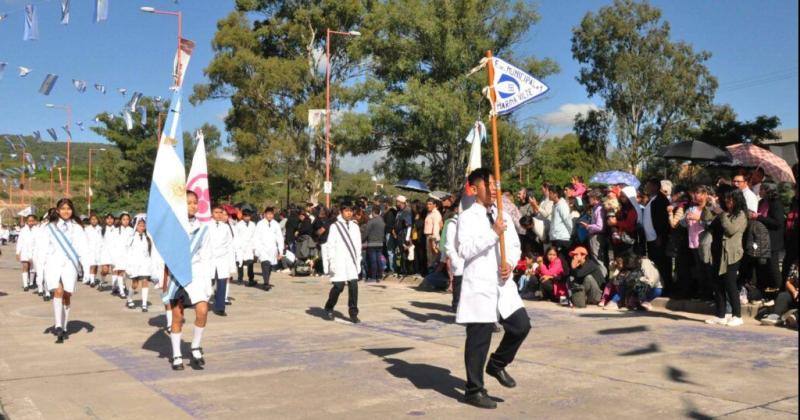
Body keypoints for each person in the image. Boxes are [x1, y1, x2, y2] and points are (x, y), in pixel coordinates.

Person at [456, 168, 530, 409]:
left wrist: (509, 264)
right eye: (489, 184)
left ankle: (497, 364)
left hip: (502, 284)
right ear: (475, 189)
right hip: (479, 285)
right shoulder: (467, 217)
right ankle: (473, 389)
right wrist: (492, 234)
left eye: (495, 184)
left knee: (520, 326)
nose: (494, 188)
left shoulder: (503, 215)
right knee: (479, 338)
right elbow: (464, 250)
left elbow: (515, 246)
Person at [163, 190, 213, 370]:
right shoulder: (172, 227)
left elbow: (206, 255)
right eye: (188, 202)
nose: (192, 206)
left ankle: (195, 345)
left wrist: (208, 282)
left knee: (203, 310)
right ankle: (176, 354)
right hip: (177, 274)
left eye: (195, 202)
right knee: (177, 316)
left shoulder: (203, 228)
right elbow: (163, 253)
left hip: (197, 274)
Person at [41, 198, 88, 343]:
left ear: (72, 210)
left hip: (70, 265)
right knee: (58, 291)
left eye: (68, 208)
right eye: (62, 208)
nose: (66, 211)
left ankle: (65, 325)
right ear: (57, 210)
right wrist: (40, 270)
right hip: (53, 264)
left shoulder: (78, 228)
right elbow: (42, 249)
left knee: (67, 295)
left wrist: (86, 270)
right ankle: (58, 325)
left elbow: (84, 249)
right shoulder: (49, 227)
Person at [705, 189, 748, 327]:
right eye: (727, 199)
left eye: (731, 199)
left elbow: (730, 230)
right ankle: (720, 314)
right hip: (717, 252)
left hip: (731, 255)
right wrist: (709, 206)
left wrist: (721, 213)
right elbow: (707, 222)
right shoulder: (723, 213)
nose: (728, 202)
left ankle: (737, 315)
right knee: (717, 284)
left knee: (730, 284)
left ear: (737, 201)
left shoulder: (740, 215)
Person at [323, 201, 362, 323]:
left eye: (351, 211)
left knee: (354, 286)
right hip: (339, 261)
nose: (349, 213)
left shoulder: (355, 226)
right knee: (338, 287)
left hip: (351, 262)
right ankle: (329, 307)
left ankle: (353, 312)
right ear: (341, 212)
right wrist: (332, 262)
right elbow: (330, 245)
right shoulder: (335, 226)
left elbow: (358, 246)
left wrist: (358, 261)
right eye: (346, 211)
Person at [643, 179, 672, 295]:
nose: (647, 188)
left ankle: (666, 288)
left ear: (655, 186)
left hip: (658, 238)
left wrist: (660, 235)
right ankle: (657, 286)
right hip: (651, 238)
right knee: (655, 264)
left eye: (649, 185)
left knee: (663, 264)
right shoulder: (652, 199)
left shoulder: (660, 200)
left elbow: (661, 220)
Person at [755, 183, 785, 296]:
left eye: (762, 189)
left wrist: (760, 217)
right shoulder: (761, 202)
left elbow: (777, 222)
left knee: (773, 266)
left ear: (768, 191)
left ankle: (778, 289)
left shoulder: (775, 203)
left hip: (772, 239)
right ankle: (764, 290)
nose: (760, 191)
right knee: (762, 266)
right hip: (761, 238)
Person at [209, 205, 236, 316]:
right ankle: (202, 303)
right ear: (211, 213)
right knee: (208, 283)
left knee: (222, 284)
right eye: (216, 212)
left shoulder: (226, 227)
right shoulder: (206, 226)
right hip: (209, 259)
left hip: (223, 259)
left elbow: (230, 245)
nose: (219, 214)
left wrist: (231, 263)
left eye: (221, 212)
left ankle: (220, 307)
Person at [125, 216, 156, 312]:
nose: (142, 227)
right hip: (134, 263)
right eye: (140, 225)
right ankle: (129, 298)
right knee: (135, 284)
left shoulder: (148, 237)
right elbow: (127, 251)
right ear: (135, 226)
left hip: (145, 263)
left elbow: (151, 251)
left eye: (143, 225)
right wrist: (127, 265)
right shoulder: (132, 237)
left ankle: (144, 304)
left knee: (145, 281)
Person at [254, 207, 283, 290]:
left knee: (269, 266)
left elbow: (279, 237)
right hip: (262, 248)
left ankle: (267, 280)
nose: (270, 216)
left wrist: (280, 250)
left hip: (272, 249)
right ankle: (266, 282)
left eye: (271, 214)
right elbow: (256, 237)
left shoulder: (276, 224)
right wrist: (256, 248)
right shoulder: (260, 224)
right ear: (265, 214)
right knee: (265, 264)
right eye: (268, 214)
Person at [111, 213, 134, 298]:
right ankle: (121, 291)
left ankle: (122, 286)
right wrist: (113, 256)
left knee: (127, 273)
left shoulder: (131, 230)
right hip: (119, 254)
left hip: (128, 254)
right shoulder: (116, 230)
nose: (126, 221)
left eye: (127, 219)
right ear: (121, 220)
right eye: (124, 219)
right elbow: (112, 244)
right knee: (120, 272)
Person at [548, 185, 573, 256]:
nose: (548, 195)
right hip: (555, 237)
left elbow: (568, 221)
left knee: (562, 261)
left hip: (562, 238)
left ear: (555, 194)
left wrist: (570, 234)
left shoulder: (562, 205)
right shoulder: (555, 205)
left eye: (550, 193)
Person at [15, 215, 38, 292]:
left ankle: (31, 283)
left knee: (32, 268)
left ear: (35, 221)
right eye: (29, 221)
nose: (31, 222)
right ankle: (25, 284)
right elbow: (20, 242)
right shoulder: (23, 230)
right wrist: (18, 252)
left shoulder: (37, 230)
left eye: (32, 220)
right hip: (25, 251)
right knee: (25, 266)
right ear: (27, 221)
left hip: (34, 251)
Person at [364, 205, 385, 282]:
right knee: (379, 260)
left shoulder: (371, 221)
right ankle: (379, 276)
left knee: (373, 261)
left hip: (372, 243)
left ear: (373, 212)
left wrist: (362, 240)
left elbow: (366, 232)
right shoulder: (382, 221)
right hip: (380, 243)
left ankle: (373, 277)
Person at [235, 210, 257, 285]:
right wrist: (237, 246)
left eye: (248, 216)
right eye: (246, 216)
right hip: (241, 246)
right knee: (240, 263)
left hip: (249, 246)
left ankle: (251, 279)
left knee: (250, 263)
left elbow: (254, 236)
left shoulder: (253, 224)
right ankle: (240, 278)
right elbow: (236, 236)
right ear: (243, 216)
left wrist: (254, 247)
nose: (247, 218)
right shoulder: (238, 225)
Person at [82, 214, 103, 288]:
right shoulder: (87, 229)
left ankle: (93, 278)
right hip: (90, 249)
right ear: (90, 221)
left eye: (95, 219)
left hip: (98, 249)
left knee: (96, 265)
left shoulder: (100, 228)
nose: (94, 221)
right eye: (92, 219)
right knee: (92, 264)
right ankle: (92, 281)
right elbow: (84, 240)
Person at [423, 198, 443, 272]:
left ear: (434, 205)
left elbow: (436, 227)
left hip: (432, 237)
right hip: (428, 236)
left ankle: (433, 273)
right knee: (429, 256)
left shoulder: (436, 214)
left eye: (430, 204)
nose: (428, 206)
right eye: (427, 204)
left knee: (433, 256)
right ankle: (430, 272)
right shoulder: (429, 213)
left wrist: (433, 239)